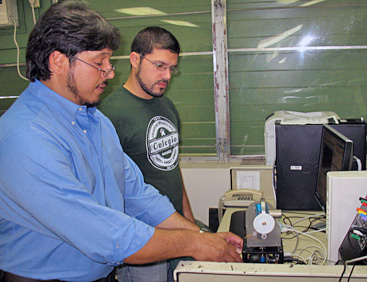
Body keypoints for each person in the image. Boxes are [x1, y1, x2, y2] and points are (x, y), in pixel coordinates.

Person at [0, 1, 243, 282]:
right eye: (99, 63)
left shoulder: (94, 120)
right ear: (58, 61)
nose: (110, 72)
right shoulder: (25, 138)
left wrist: (199, 234)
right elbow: (104, 234)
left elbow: (136, 192)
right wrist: (195, 244)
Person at [99, 26, 195, 282]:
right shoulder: (109, 115)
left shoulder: (166, 104)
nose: (167, 76)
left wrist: (189, 220)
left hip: (176, 226)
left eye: (171, 68)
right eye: (160, 66)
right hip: (142, 239)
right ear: (135, 59)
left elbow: (172, 168)